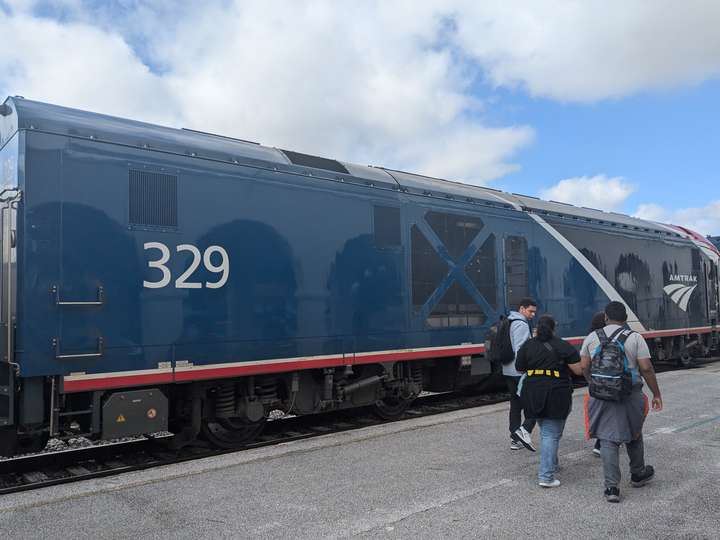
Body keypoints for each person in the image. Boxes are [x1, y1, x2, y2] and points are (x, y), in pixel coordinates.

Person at [580, 301, 663, 503]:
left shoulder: (592, 337)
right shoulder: (634, 337)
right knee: (634, 432)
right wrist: (656, 394)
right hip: (630, 394)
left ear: (606, 317)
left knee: (608, 439)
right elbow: (646, 368)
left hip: (600, 395)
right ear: (626, 319)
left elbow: (584, 366)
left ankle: (611, 488)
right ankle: (637, 474)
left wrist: (594, 383)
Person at [516, 315, 583, 487]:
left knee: (547, 431)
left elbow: (519, 367)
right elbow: (578, 370)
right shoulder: (562, 345)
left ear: (537, 328)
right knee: (551, 434)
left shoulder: (528, 345)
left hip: (531, 392)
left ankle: (553, 463)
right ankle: (546, 476)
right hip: (556, 392)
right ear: (554, 328)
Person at [504, 298, 538, 451]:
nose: (532, 315)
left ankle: (514, 438)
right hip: (519, 372)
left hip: (508, 370)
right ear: (522, 309)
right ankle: (522, 432)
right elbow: (521, 350)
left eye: (534, 312)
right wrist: (525, 368)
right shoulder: (521, 324)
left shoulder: (509, 321)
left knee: (515, 405)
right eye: (530, 311)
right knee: (530, 404)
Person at [588, 311, 606, 457]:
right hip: (615, 381)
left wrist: (589, 381)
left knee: (600, 411)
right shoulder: (620, 335)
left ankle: (598, 442)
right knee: (614, 410)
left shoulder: (590, 338)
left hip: (596, 381)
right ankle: (602, 443)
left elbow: (583, 365)